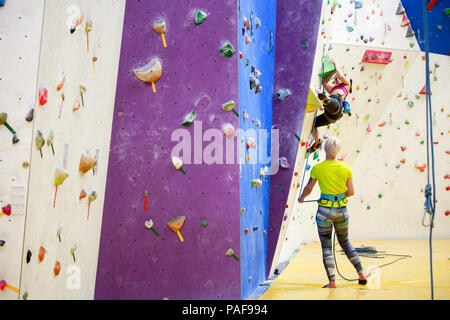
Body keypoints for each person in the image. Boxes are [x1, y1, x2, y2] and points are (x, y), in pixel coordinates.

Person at [298, 136, 367, 288]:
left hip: (324, 212)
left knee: (327, 247)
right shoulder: (346, 168)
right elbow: (351, 192)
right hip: (342, 211)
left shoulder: (318, 168)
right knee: (346, 242)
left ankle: (332, 282)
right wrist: (339, 197)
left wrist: (302, 197)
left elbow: (309, 188)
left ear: (324, 150)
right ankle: (361, 274)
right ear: (338, 151)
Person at [309, 58, 351, 153]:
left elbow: (340, 74)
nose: (336, 81)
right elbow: (324, 82)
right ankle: (317, 142)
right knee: (314, 124)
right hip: (329, 116)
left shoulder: (346, 85)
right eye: (335, 80)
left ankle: (327, 101)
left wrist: (336, 65)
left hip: (336, 106)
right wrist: (332, 72)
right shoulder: (332, 90)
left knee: (333, 101)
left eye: (337, 79)